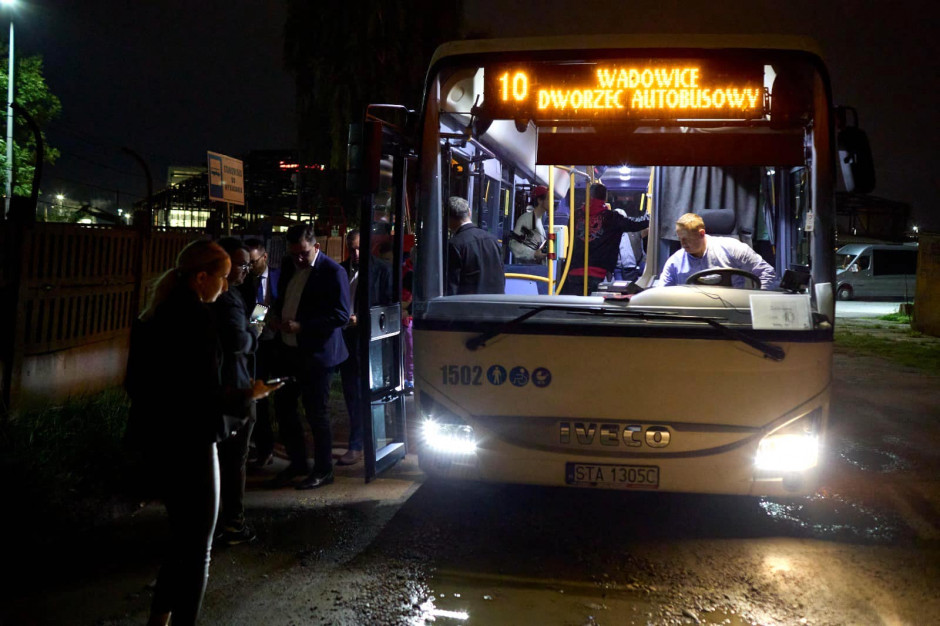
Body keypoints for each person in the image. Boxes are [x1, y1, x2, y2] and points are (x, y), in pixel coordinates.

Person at [125, 240, 279, 626]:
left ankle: (159, 619)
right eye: (223, 277)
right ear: (201, 277)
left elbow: (136, 384)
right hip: (193, 443)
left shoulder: (154, 314)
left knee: (179, 540)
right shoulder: (199, 320)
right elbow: (206, 392)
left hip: (159, 441)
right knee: (198, 548)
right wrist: (251, 393)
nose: (226, 286)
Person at [268, 224, 351, 490]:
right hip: (286, 350)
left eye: (303, 253)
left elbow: (341, 315)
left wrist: (302, 326)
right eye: (294, 254)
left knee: (317, 413)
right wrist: (267, 321)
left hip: (316, 355)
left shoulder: (332, 271)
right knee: (284, 407)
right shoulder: (287, 267)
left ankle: (323, 470)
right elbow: (275, 301)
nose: (299, 259)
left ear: (316, 246)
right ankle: (297, 462)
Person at [211, 238, 259, 546]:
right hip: (235, 388)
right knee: (234, 461)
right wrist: (253, 333)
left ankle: (212, 522)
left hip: (215, 388)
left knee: (217, 460)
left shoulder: (205, 297)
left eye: (249, 264)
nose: (246, 270)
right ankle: (234, 524)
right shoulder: (227, 299)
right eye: (241, 265)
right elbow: (238, 342)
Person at [338, 229, 393, 465]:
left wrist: (362, 319)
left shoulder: (381, 269)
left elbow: (388, 306)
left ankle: (362, 441)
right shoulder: (341, 269)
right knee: (351, 391)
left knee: (365, 390)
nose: (356, 253)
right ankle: (359, 441)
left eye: (359, 248)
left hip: (369, 338)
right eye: (352, 249)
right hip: (345, 337)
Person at [561, 183, 649, 295]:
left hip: (574, 271)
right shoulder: (612, 218)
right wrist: (650, 217)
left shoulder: (575, 215)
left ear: (588, 197)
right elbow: (636, 224)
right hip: (597, 273)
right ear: (605, 198)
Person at [240, 237, 280, 468]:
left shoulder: (279, 277)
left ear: (264, 257)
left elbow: (266, 307)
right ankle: (263, 448)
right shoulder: (245, 282)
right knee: (258, 399)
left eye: (253, 262)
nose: (249, 267)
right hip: (254, 345)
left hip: (276, 343)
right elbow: (257, 311)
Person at [659, 212, 778, 289]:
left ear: (701, 234)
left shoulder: (733, 249)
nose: (683, 244)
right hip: (693, 318)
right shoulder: (675, 262)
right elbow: (662, 292)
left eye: (687, 239)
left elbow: (767, 272)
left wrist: (756, 303)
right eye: (680, 239)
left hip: (733, 313)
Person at [446, 196, 506, 295]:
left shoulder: (454, 244)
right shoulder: (493, 240)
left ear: (448, 219)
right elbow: (501, 276)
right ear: (469, 213)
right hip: (496, 304)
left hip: (469, 306)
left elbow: (452, 286)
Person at [509, 185, 549, 264]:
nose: (552, 202)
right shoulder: (527, 220)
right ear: (540, 200)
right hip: (528, 271)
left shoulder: (538, 220)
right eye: (549, 199)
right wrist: (534, 254)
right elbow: (515, 245)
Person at [612, 208, 647, 282]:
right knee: (619, 289)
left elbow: (647, 228)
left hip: (634, 267)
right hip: (618, 268)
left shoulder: (634, 232)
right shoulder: (611, 234)